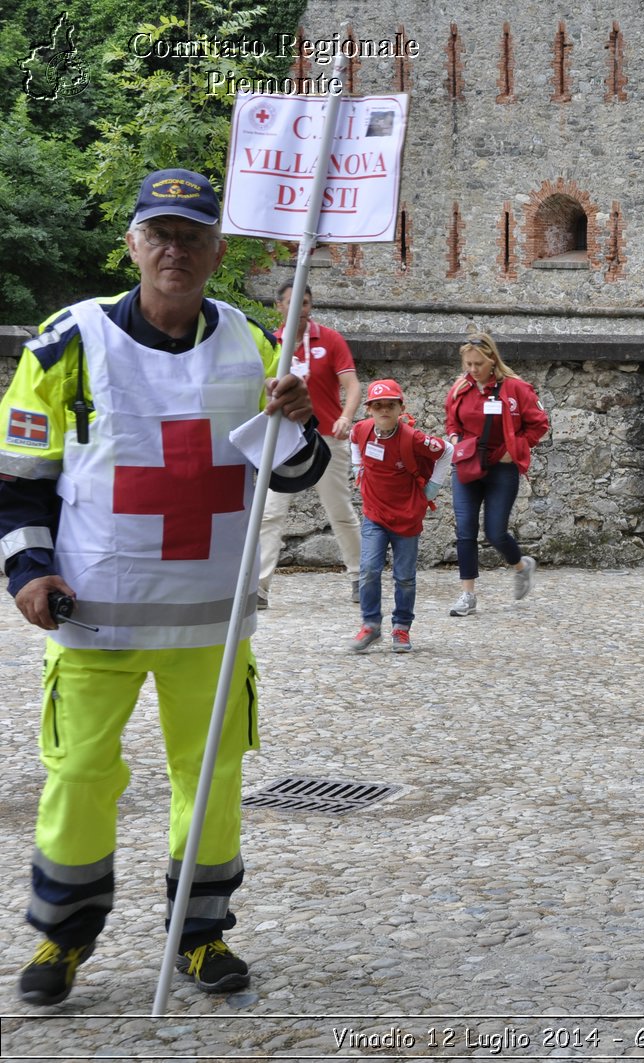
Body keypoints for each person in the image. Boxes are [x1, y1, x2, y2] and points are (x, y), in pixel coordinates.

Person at [0, 168, 328, 1005]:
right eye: (160, 233)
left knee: (212, 774)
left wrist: (295, 417)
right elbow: (17, 476)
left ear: (218, 249)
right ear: (132, 243)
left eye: (191, 235)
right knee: (77, 774)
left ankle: (201, 933)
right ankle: (62, 940)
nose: (174, 249)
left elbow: (294, 473)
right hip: (93, 617)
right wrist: (28, 568)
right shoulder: (67, 342)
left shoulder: (255, 342)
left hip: (209, 625)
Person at [256, 282, 361, 608]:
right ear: (278, 306)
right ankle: (258, 588)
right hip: (285, 442)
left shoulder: (329, 340)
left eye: (304, 302)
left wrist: (346, 417)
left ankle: (361, 576)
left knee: (340, 511)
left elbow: (352, 385)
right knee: (269, 513)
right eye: (291, 302)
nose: (298, 308)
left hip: (326, 437)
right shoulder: (273, 343)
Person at [443, 331, 548, 616]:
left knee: (495, 532)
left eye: (478, 364)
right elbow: (451, 422)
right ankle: (468, 595)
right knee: (465, 531)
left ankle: (521, 566)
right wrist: (453, 439)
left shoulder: (516, 389)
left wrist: (513, 450)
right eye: (468, 364)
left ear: (492, 360)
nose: (472, 370)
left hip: (501, 468)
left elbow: (539, 425)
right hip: (467, 466)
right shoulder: (459, 388)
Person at [349, 379, 453, 653]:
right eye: (378, 405)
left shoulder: (413, 438)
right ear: (369, 409)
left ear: (400, 408)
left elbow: (447, 451)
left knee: (404, 577)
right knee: (369, 570)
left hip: (407, 518)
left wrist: (432, 489)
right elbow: (351, 439)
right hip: (374, 515)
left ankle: (402, 628)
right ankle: (371, 625)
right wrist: (358, 469)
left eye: (390, 405)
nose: (384, 410)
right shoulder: (362, 430)